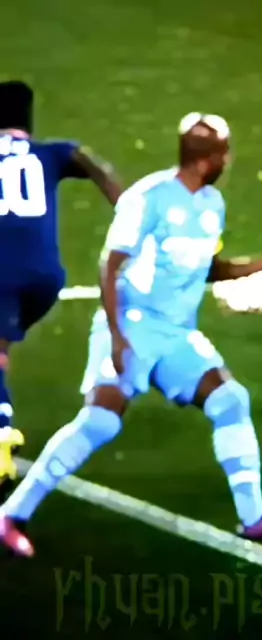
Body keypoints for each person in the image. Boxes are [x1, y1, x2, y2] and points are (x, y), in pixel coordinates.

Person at [0, 112, 262, 556]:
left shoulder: (211, 205)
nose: (228, 160)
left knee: (230, 401)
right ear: (208, 158)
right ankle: (11, 515)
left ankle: (255, 519)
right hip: (131, 325)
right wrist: (117, 339)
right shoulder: (147, 198)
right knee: (100, 422)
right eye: (224, 153)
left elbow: (212, 268)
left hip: (176, 334)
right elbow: (109, 267)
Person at [0, 81, 122, 503]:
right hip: (46, 277)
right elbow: (93, 164)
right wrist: (131, 214)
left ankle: (1, 435)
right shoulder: (51, 152)